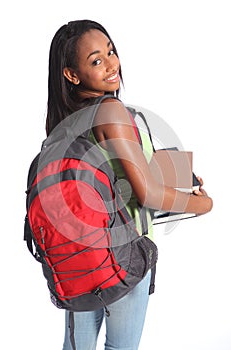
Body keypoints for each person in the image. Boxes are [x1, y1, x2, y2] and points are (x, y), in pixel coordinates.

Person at [46, 20, 213, 350]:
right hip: (124, 260)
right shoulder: (112, 111)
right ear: (72, 74)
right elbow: (146, 192)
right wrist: (204, 205)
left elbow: (110, 175)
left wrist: (179, 174)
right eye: (96, 60)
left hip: (78, 260)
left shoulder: (63, 121)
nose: (111, 64)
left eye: (110, 51)